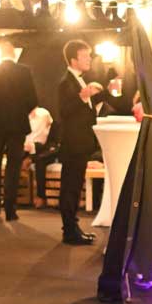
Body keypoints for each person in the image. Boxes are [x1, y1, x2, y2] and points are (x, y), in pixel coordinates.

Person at [0, 49, 39, 221]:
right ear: (14, 54)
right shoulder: (24, 72)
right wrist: (20, 112)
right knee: (13, 165)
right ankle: (11, 209)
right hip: (17, 125)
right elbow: (33, 99)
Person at [52, 39, 101, 245]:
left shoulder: (80, 81)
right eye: (85, 56)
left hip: (80, 144)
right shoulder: (66, 82)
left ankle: (73, 228)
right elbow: (64, 112)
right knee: (70, 187)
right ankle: (70, 230)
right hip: (73, 144)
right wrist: (82, 98)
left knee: (74, 186)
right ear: (73, 60)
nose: (89, 59)